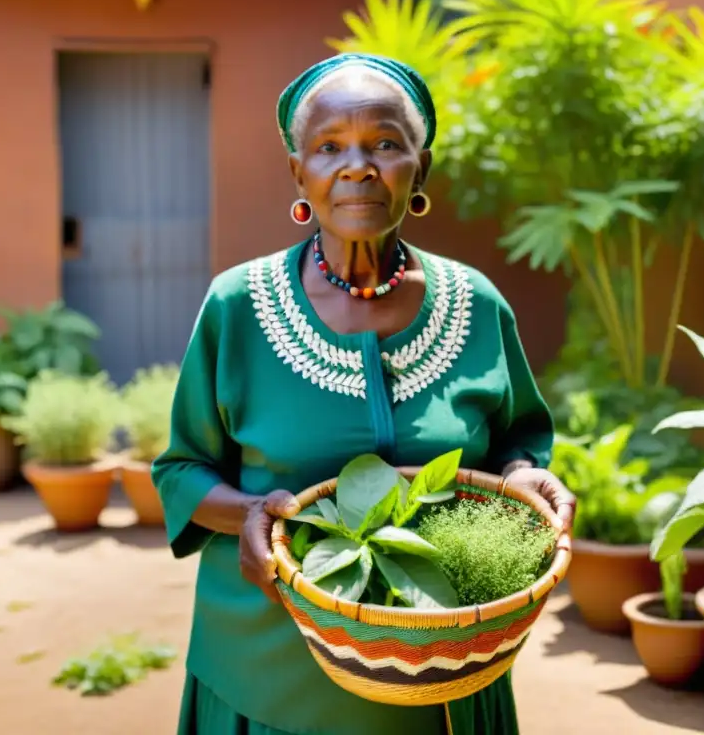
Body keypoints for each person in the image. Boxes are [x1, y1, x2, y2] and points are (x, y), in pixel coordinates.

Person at [152, 52, 575, 735]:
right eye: (328, 148)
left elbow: (518, 441)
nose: (357, 166)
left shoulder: (477, 304)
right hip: (268, 677)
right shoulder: (237, 305)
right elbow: (180, 470)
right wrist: (251, 512)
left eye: (384, 143)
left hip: (443, 672)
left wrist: (530, 479)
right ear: (299, 174)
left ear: (421, 170)